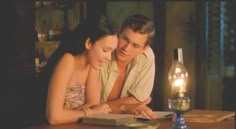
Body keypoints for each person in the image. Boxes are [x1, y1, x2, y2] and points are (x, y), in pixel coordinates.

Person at [38, 15, 118, 125]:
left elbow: (94, 103)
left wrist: (70, 114)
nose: (109, 57)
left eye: (111, 52)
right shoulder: (68, 60)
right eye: (105, 50)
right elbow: (54, 117)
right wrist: (91, 112)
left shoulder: (91, 64)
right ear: (88, 43)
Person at [99, 14, 156, 119]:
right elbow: (91, 106)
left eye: (135, 45)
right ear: (118, 33)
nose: (126, 48)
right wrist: (126, 106)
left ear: (144, 48)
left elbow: (139, 100)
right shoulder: (102, 51)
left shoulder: (146, 56)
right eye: (125, 39)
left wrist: (103, 106)